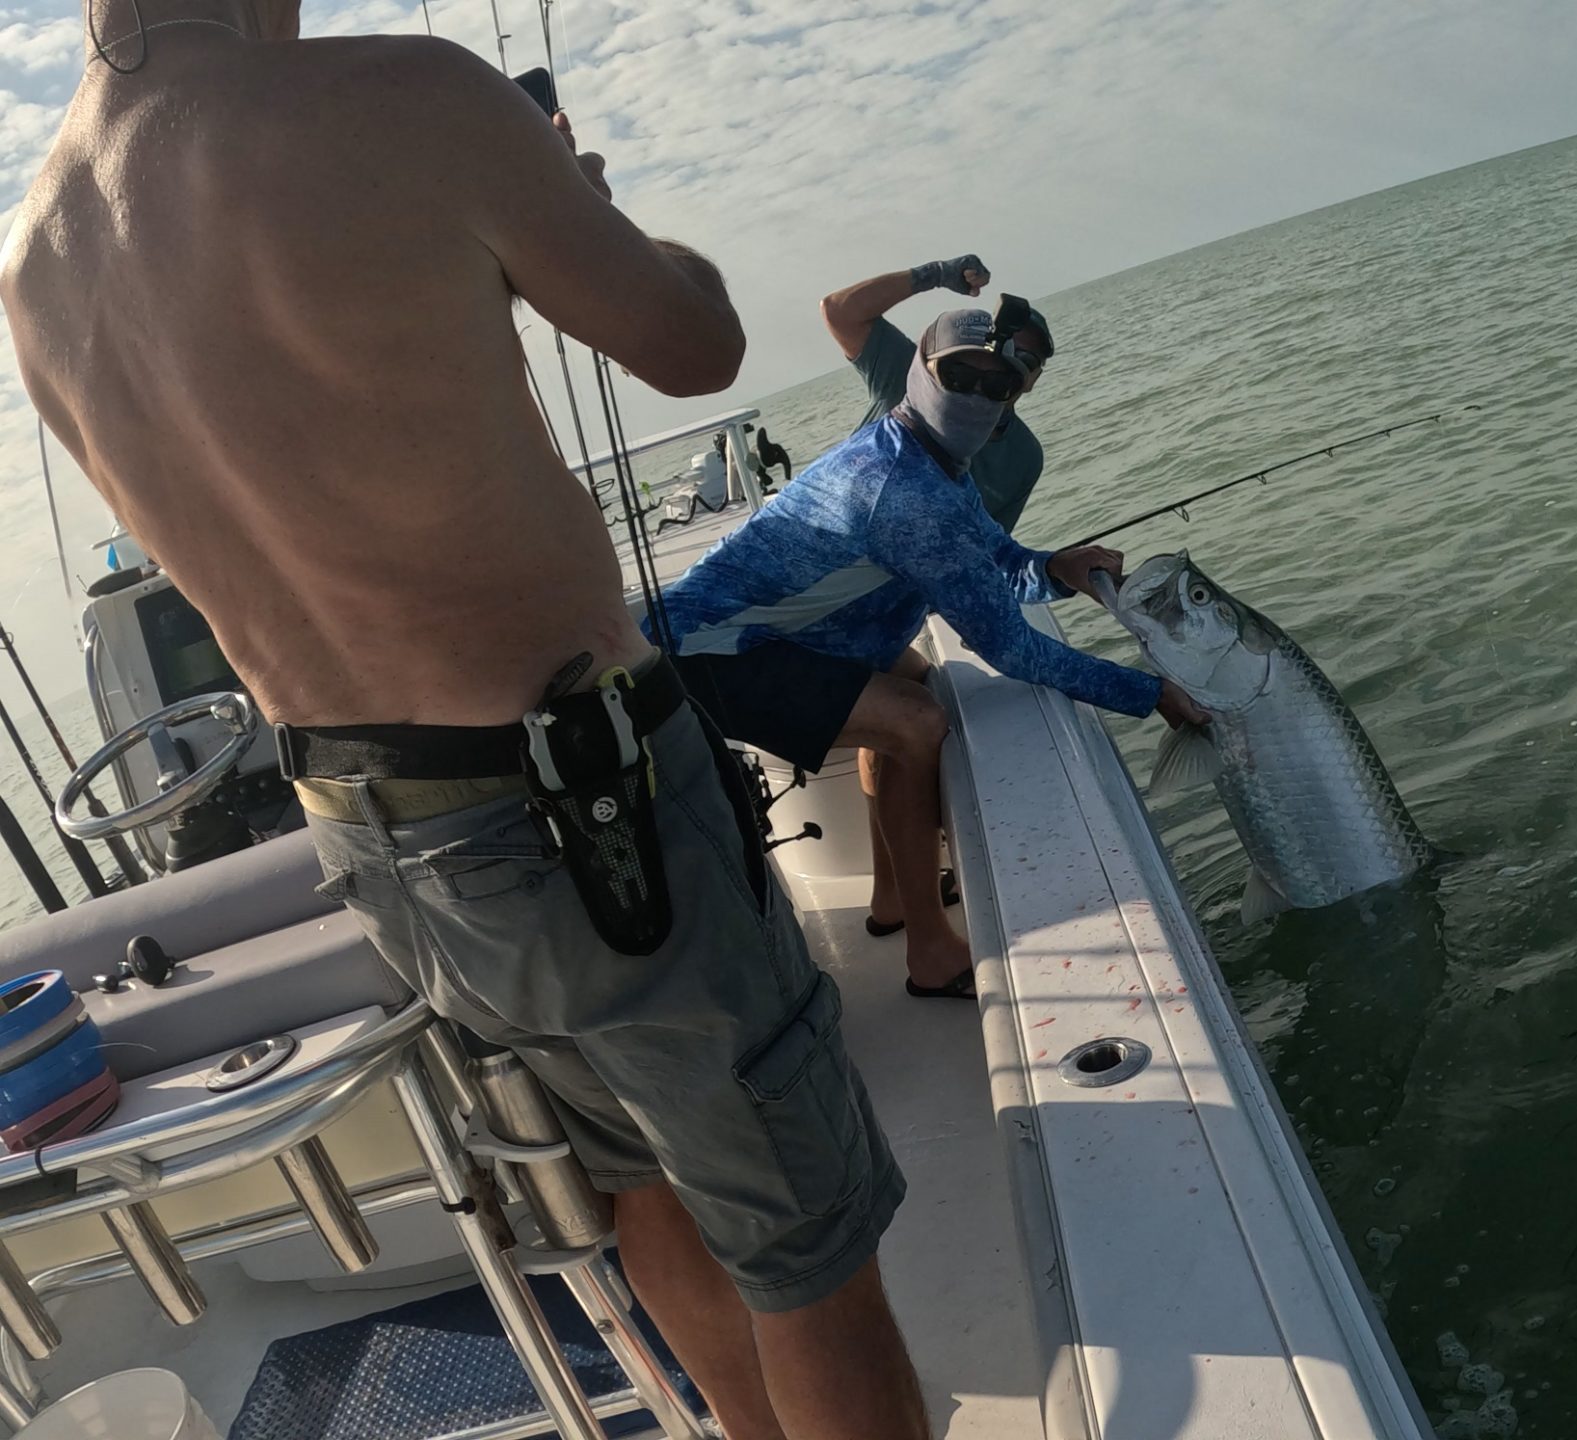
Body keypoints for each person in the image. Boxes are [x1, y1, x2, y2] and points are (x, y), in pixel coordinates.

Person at [0, 7, 926, 1438]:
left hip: (375, 839)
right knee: (808, 1247)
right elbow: (696, 344)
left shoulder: (34, 260)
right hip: (586, 812)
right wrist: (582, 209)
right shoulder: (409, 95)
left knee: (634, 1178)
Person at [658, 300, 1210, 997]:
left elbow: (995, 558)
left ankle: (892, 896)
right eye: (959, 377)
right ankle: (930, 952)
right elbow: (1012, 650)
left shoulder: (926, 456)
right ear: (920, 372)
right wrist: (1151, 692)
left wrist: (1054, 568)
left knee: (914, 680)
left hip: (769, 636)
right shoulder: (905, 489)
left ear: (1014, 395)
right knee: (915, 723)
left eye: (995, 384)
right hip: (703, 655)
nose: (975, 395)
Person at [821, 253, 1044, 532]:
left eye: (1026, 360)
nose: (1008, 361)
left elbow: (986, 546)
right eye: (958, 375)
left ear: (1032, 379)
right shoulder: (915, 372)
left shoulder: (1025, 457)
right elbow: (840, 312)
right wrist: (936, 274)